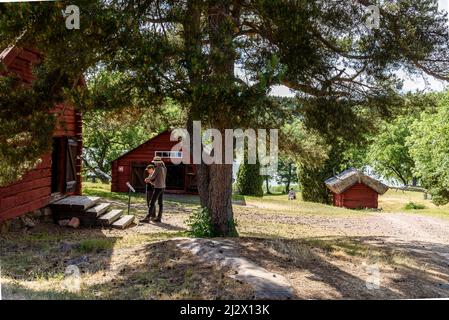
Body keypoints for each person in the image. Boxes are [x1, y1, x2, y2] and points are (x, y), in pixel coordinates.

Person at [140, 156, 167, 223]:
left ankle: (147, 217)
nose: (154, 163)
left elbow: (152, 177)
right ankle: (159, 217)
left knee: (152, 203)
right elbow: (161, 178)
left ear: (157, 162)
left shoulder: (158, 168)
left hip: (158, 187)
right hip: (163, 187)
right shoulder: (164, 168)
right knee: (160, 203)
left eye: (154, 162)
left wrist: (147, 179)